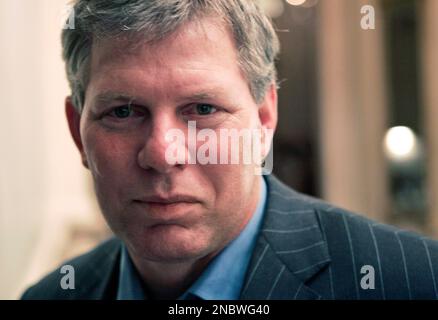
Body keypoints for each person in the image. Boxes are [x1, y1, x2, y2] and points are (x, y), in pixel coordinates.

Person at [22, 0, 438, 300]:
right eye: (124, 111)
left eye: (203, 109)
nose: (164, 154)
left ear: (264, 119)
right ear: (78, 132)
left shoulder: (414, 280)